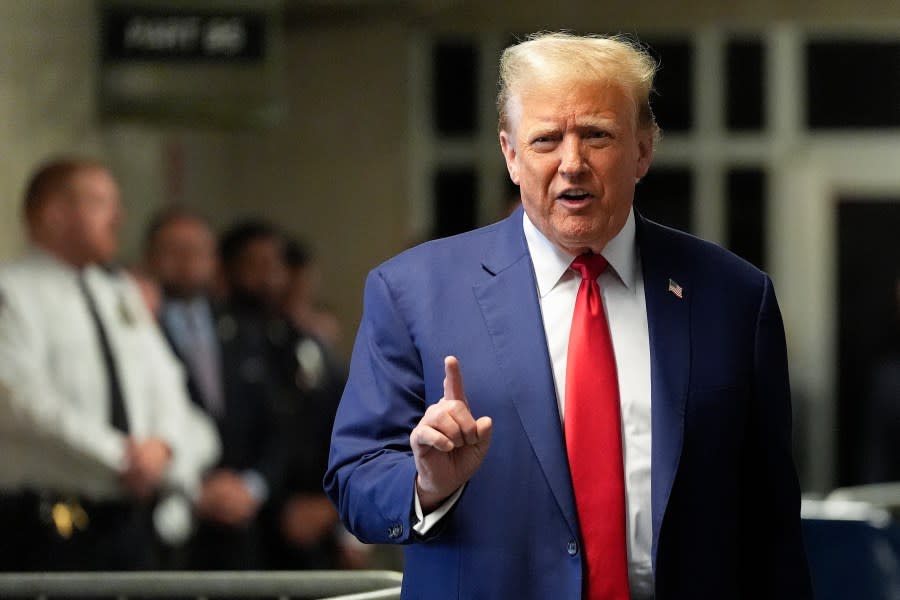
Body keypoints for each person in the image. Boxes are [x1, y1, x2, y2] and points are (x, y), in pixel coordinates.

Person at [325, 32, 812, 599]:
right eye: (546, 139)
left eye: (597, 135)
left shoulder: (733, 297)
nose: (572, 163)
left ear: (644, 150)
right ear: (510, 154)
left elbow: (771, 520)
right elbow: (355, 481)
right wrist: (425, 484)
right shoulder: (411, 293)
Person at [0, 158, 219, 571]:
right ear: (54, 214)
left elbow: (166, 380)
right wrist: (121, 457)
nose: (118, 217)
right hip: (47, 523)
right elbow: (18, 397)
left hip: (129, 519)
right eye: (101, 203)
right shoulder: (12, 292)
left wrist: (164, 446)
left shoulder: (118, 294)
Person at [144, 209, 293, 570]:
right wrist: (193, 489)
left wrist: (252, 487)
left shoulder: (245, 329)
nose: (186, 261)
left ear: (213, 261)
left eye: (197, 251)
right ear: (150, 258)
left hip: (243, 525)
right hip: (164, 522)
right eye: (174, 250)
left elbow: (279, 424)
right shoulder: (138, 328)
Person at [216, 220, 345, 569]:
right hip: (240, 524)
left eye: (276, 265)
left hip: (311, 524)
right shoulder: (215, 342)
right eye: (255, 265)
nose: (271, 278)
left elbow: (337, 426)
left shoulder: (304, 344)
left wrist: (332, 508)